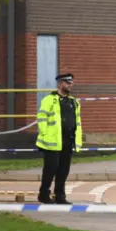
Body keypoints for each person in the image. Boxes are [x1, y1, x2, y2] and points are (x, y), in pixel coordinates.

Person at [36, 73, 83, 205]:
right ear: (60, 83)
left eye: (71, 83)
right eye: (68, 82)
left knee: (63, 170)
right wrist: (44, 135)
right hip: (52, 141)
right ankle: (44, 194)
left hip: (68, 141)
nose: (70, 85)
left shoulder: (74, 102)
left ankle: (60, 196)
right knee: (50, 169)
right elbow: (41, 118)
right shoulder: (49, 100)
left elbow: (77, 122)